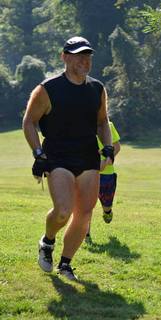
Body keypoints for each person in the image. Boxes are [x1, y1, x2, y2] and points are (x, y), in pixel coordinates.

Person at [22, 36, 114, 281]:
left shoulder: (97, 89)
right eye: (77, 55)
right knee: (63, 211)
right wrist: (38, 154)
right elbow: (29, 122)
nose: (84, 60)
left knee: (84, 213)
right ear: (64, 57)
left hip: (87, 157)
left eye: (87, 55)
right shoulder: (48, 89)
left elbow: (102, 121)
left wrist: (106, 147)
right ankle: (47, 241)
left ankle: (65, 264)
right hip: (58, 156)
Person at [85, 121, 120, 243]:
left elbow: (117, 146)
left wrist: (107, 160)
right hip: (88, 172)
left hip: (107, 175)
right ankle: (86, 235)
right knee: (86, 206)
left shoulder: (109, 125)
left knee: (106, 204)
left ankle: (107, 211)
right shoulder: (81, 124)